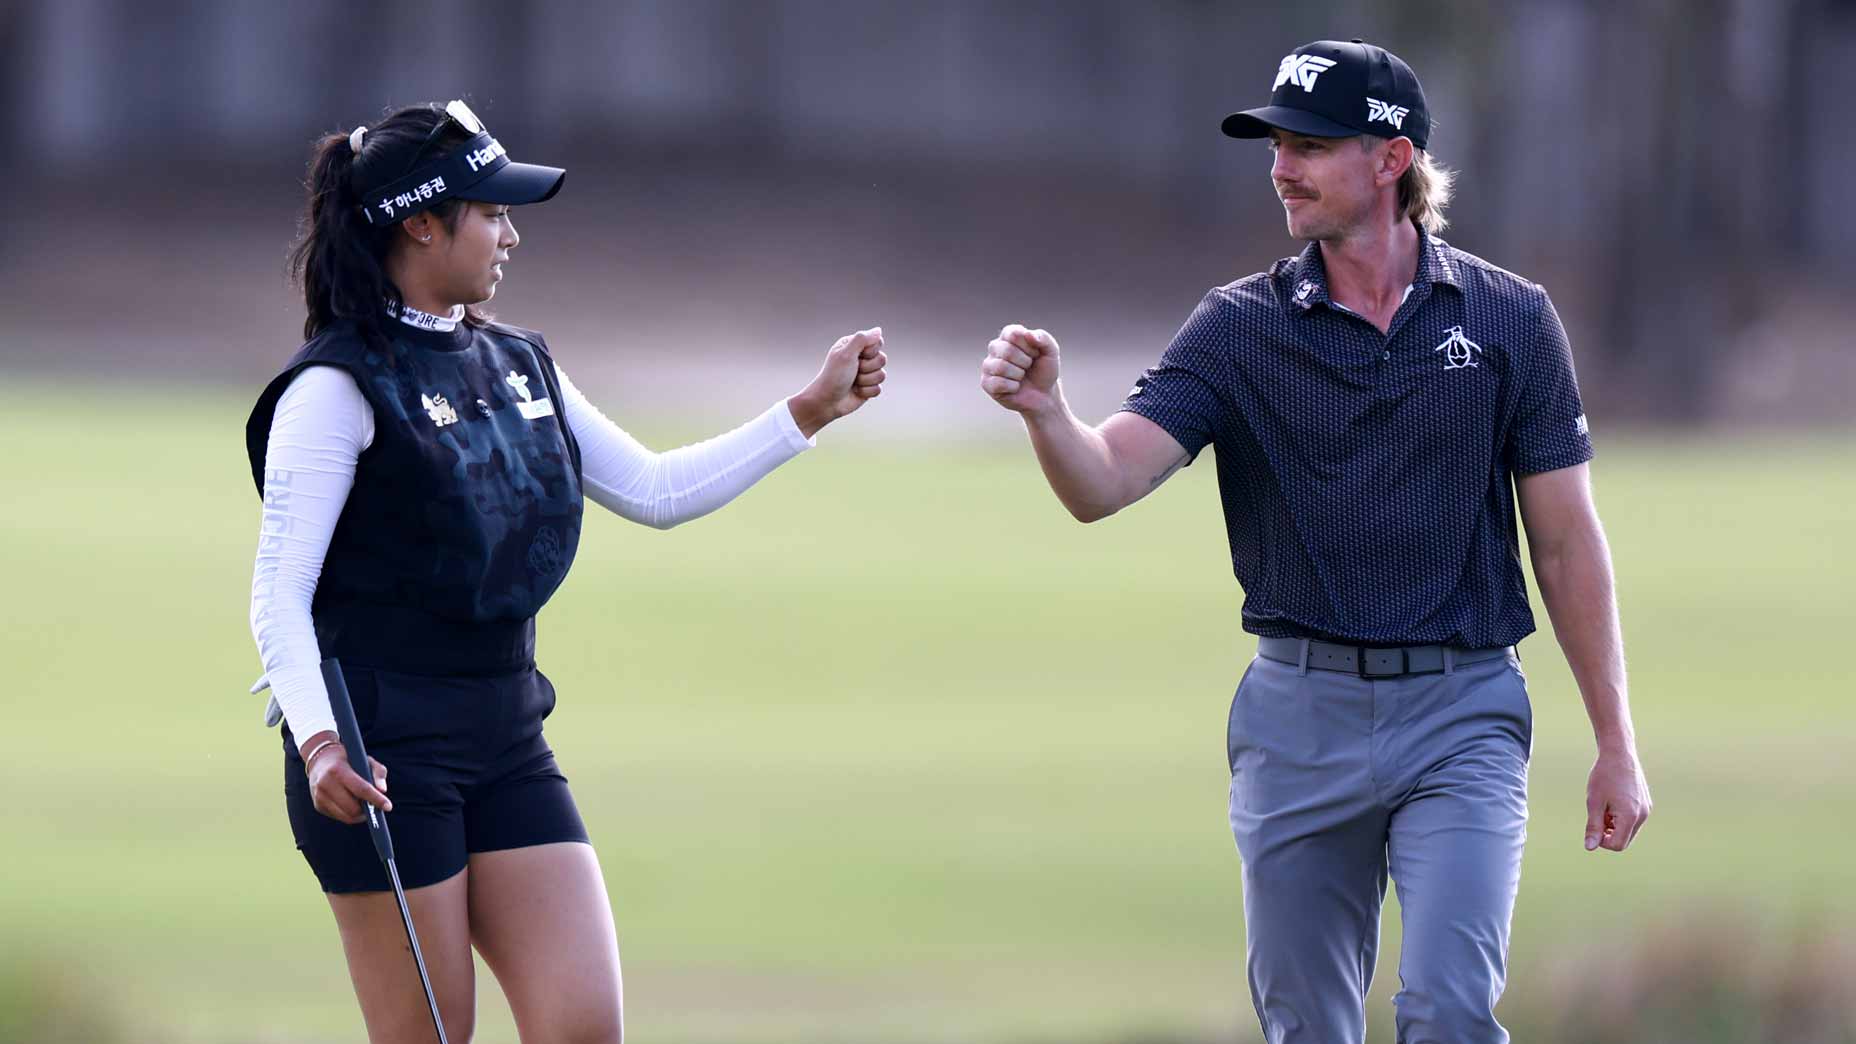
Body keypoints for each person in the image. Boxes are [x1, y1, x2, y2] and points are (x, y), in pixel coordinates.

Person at [978, 39, 1650, 1044]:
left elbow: (1562, 544)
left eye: (1309, 145)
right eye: (1276, 144)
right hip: (1297, 720)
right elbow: (1105, 480)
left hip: (1460, 711)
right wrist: (1046, 415)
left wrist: (1614, 743)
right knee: (1306, 1028)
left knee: (1449, 1009)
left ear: (1389, 160)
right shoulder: (1238, 329)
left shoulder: (1510, 321)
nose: (1280, 167)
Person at [246, 100, 886, 1043]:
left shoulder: (518, 362)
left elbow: (657, 489)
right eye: (491, 213)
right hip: (380, 756)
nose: (510, 235)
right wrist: (319, 744)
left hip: (506, 733)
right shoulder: (335, 388)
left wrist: (808, 412)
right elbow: (278, 598)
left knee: (583, 1026)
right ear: (422, 221)